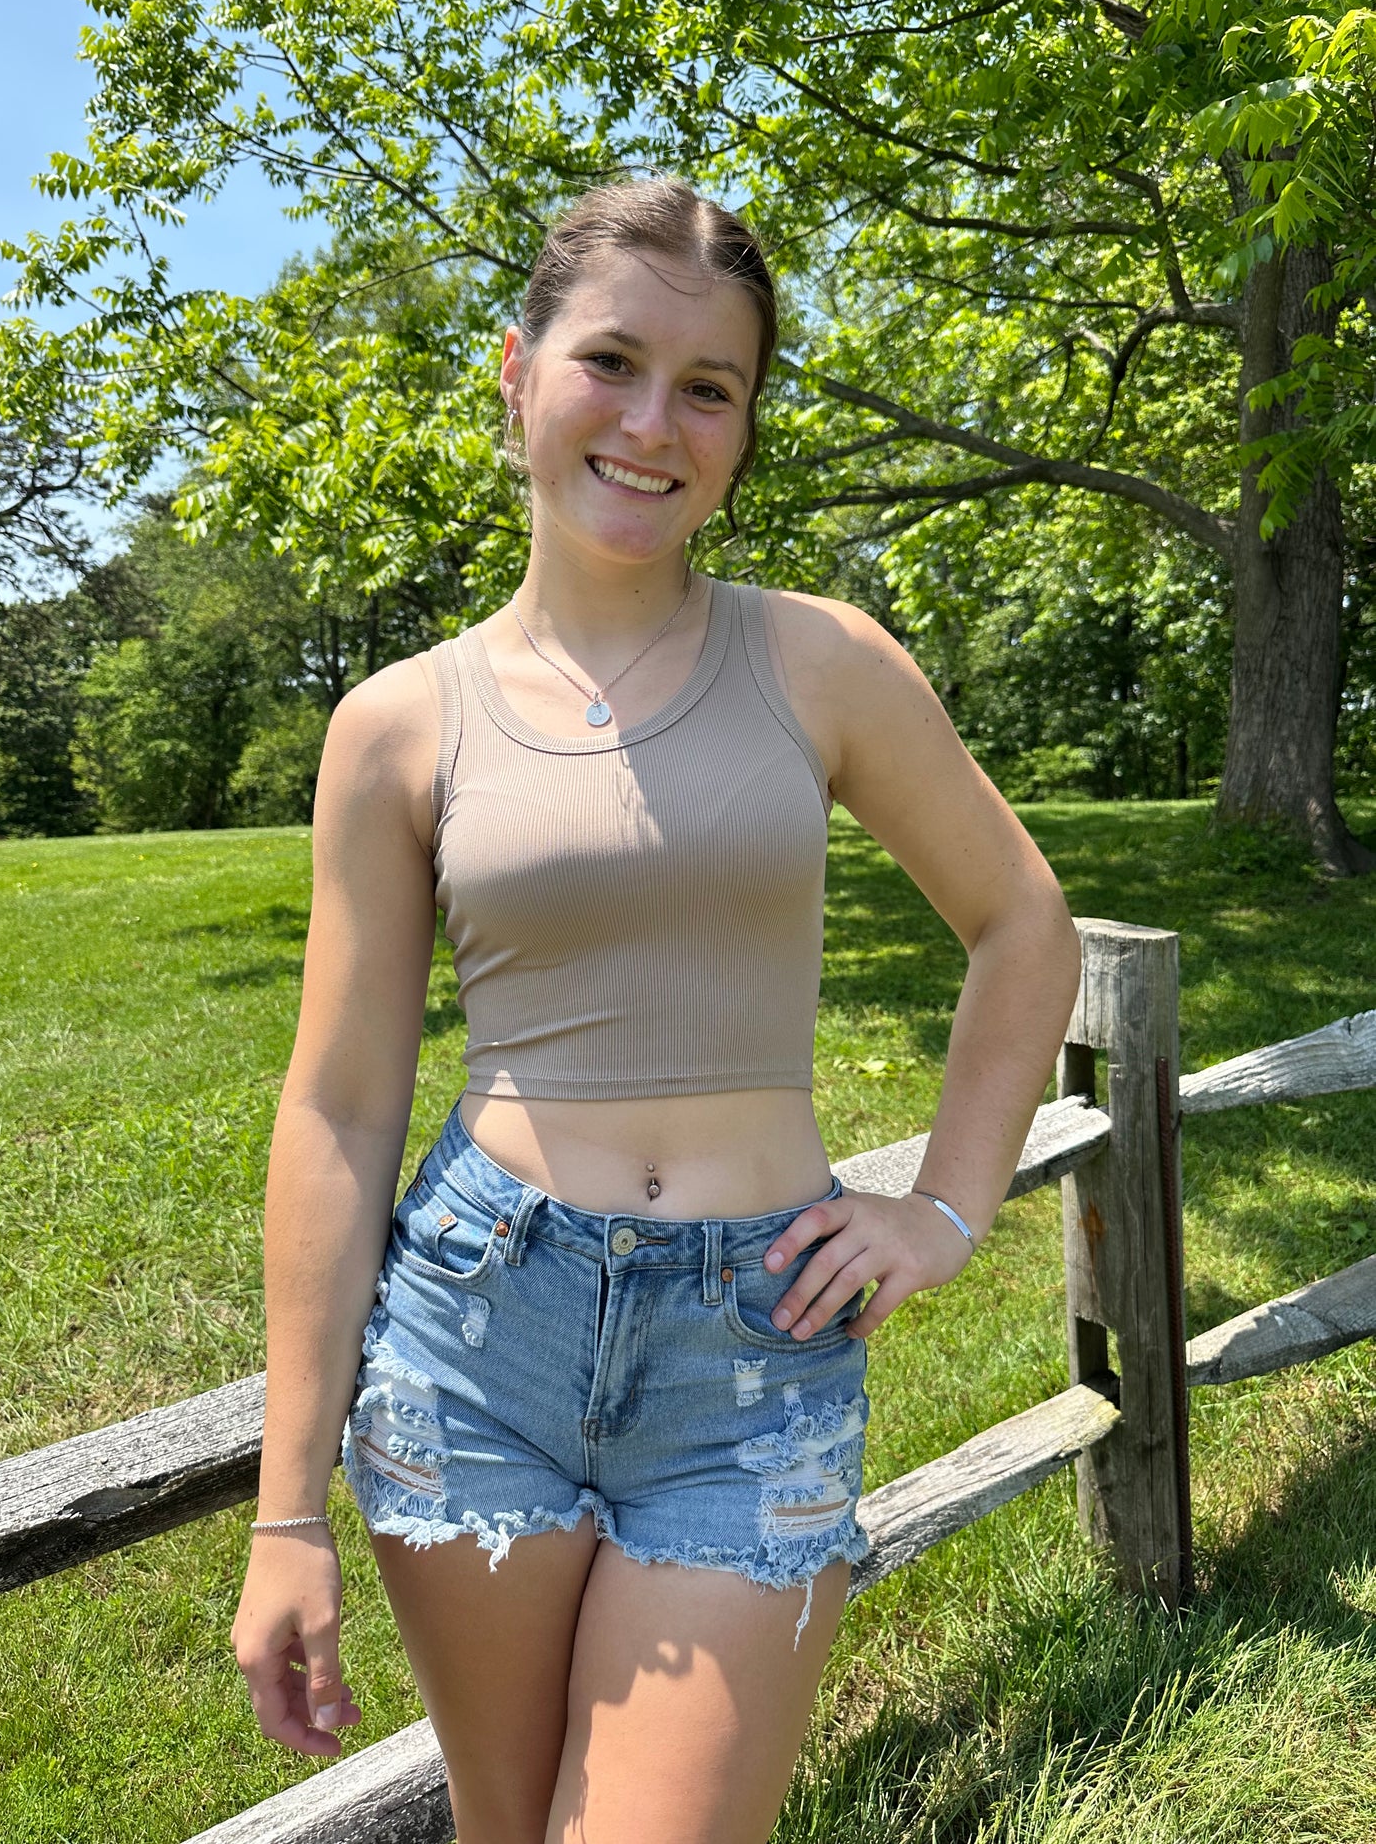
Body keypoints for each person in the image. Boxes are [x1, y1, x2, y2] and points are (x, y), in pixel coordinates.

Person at [230, 175, 1083, 1844]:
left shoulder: (821, 662)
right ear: (517, 373)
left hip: (749, 1353)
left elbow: (1021, 926)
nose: (650, 424)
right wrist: (285, 1517)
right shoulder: (398, 724)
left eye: (708, 387)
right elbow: (337, 1105)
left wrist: (942, 1210)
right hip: (480, 1332)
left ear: (744, 430)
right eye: (610, 363)